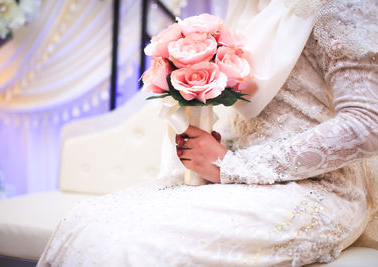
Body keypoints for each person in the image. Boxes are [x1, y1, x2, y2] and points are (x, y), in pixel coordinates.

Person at [38, 0, 378, 266]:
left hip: (317, 190)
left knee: (130, 245)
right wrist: (217, 144)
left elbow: (366, 125)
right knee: (85, 221)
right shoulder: (253, 7)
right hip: (241, 182)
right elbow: (270, 113)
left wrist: (231, 164)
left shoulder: (342, 6)